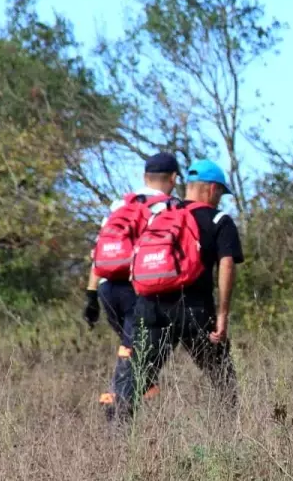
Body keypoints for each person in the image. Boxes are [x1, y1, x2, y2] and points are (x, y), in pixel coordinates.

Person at [101, 159, 245, 421]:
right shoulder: (219, 219)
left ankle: (116, 436)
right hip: (195, 310)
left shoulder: (159, 212)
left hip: (150, 305)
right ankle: (230, 433)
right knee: (222, 376)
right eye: (221, 193)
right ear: (212, 189)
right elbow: (226, 265)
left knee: (137, 375)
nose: (220, 198)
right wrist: (222, 316)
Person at [83, 152, 179, 348]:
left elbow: (99, 251)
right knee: (138, 359)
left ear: (145, 177)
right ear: (174, 178)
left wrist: (91, 296)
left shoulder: (119, 206)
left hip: (107, 289)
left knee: (134, 352)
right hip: (139, 290)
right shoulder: (169, 207)